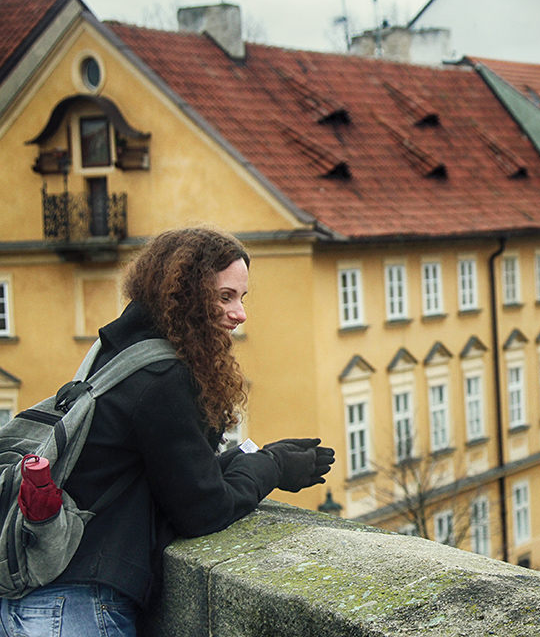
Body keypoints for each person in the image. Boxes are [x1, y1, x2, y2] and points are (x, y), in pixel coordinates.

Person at [0, 228, 334, 637]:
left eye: (241, 299)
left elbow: (164, 471)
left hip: (35, 601)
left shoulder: (118, 351)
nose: (240, 313)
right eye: (225, 296)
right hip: (77, 606)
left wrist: (249, 457)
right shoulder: (164, 377)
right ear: (187, 295)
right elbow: (203, 510)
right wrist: (273, 468)